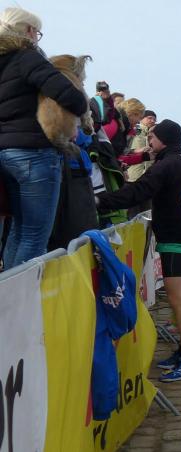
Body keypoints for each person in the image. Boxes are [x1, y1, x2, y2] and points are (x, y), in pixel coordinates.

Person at [96, 120, 181, 382]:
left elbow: (137, 191)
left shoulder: (165, 165)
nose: (149, 142)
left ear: (163, 140)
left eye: (152, 138)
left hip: (174, 238)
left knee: (179, 299)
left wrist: (99, 200)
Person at [0, 7, 87, 269]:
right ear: (28, 31)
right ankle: (21, 293)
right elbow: (68, 95)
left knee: (18, 230)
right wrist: (78, 109)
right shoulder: (27, 57)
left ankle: (8, 289)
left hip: (6, 153)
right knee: (34, 235)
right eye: (37, 32)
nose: (38, 38)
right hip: (35, 153)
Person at [127, 109, 157, 182]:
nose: (152, 121)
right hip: (132, 175)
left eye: (154, 119)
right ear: (141, 118)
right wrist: (136, 150)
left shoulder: (155, 134)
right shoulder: (135, 129)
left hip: (148, 178)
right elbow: (123, 150)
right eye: (149, 118)